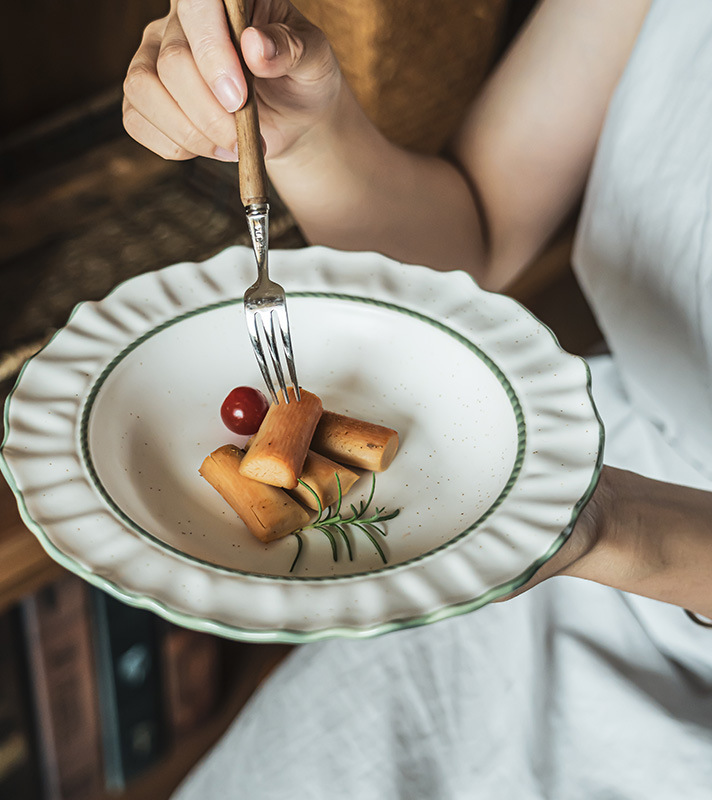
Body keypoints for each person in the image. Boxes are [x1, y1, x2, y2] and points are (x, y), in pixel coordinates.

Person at [123, 0, 712, 796]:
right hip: (571, 546)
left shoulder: (594, 515)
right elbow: (478, 231)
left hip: (635, 554)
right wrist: (308, 133)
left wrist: (614, 523)